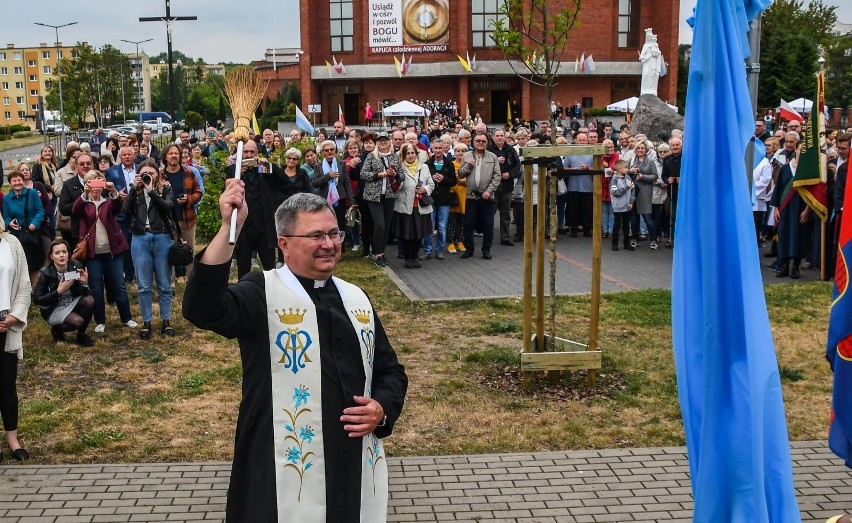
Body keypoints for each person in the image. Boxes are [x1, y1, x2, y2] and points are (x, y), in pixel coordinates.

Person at [183, 190, 408, 522]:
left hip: (352, 464)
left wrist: (383, 408)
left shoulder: (355, 297)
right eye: (315, 235)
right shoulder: (262, 292)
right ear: (284, 244)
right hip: (279, 469)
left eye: (334, 233)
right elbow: (202, 308)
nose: (329, 244)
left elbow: (390, 371)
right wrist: (230, 228)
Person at [71, 171, 137, 333]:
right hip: (93, 254)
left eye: (98, 183)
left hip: (112, 252)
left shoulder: (107, 201)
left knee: (119, 286)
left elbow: (118, 208)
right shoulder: (84, 203)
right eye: (91, 183)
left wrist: (113, 191)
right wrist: (84, 194)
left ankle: (127, 318)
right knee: (96, 287)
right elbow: (74, 211)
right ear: (86, 185)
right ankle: (100, 320)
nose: (95, 187)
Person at [122, 159, 175, 340]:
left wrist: (151, 191)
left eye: (151, 173)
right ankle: (147, 322)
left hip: (161, 237)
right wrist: (133, 189)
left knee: (164, 283)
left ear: (157, 173)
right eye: (144, 174)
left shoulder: (164, 188)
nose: (147, 177)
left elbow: (167, 208)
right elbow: (125, 211)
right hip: (140, 238)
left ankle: (166, 320)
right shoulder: (135, 191)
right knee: (143, 284)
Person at [225, 140, 286, 278]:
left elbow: (284, 180)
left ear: (257, 153)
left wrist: (268, 164)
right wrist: (238, 173)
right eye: (246, 152)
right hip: (244, 226)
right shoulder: (233, 170)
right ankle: (243, 295)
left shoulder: (265, 169)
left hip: (264, 226)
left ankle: (271, 294)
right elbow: (227, 187)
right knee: (243, 267)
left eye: (252, 152)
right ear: (240, 153)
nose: (249, 155)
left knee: (269, 267)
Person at [0, 215, 32, 462]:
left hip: (6, 323)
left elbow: (23, 285)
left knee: (7, 385)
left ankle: (12, 439)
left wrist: (15, 316)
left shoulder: (11, 243)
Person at [33, 239, 95, 346]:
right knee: (78, 321)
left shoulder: (75, 266)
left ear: (68, 254)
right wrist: (58, 292)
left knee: (89, 300)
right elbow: (36, 299)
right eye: (57, 253)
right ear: (52, 256)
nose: (61, 255)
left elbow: (81, 293)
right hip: (54, 308)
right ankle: (57, 330)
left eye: (64, 252)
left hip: (72, 301)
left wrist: (84, 283)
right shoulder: (45, 273)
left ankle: (81, 335)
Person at [361, 132, 404, 268]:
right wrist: (378, 174)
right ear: (377, 143)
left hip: (389, 195)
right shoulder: (371, 156)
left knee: (386, 226)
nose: (383, 142)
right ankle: (377, 253)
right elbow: (363, 174)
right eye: (380, 140)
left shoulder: (395, 157)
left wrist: (395, 174)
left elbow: (402, 176)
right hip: (374, 196)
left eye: (385, 140)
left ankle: (381, 252)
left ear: (389, 142)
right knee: (380, 225)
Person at [161, 144, 202, 281]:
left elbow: (198, 193)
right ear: (165, 157)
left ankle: (192, 280)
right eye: (170, 153)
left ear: (180, 156)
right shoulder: (160, 175)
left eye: (176, 154)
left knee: (189, 250)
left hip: (187, 219)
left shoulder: (189, 173)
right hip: (167, 221)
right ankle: (170, 282)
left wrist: (188, 199)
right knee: (168, 251)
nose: (173, 156)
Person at [458, 134, 501, 259]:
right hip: (471, 197)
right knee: (468, 224)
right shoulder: (466, 156)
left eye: (483, 141)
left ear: (487, 142)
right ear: (473, 142)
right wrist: (468, 166)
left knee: (488, 224)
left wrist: (489, 191)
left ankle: (486, 250)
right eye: (478, 140)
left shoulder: (492, 157)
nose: (480, 142)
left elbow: (497, 176)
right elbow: (460, 174)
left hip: (486, 197)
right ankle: (469, 250)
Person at [394, 143, 436, 268]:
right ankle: (407, 257)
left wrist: (424, 189)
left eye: (413, 153)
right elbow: (397, 187)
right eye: (408, 153)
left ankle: (415, 256)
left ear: (416, 154)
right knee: (406, 234)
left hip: (420, 206)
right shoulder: (399, 168)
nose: (411, 155)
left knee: (418, 233)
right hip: (405, 205)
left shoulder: (424, 167)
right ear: (404, 155)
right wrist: (397, 178)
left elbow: (431, 184)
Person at [3, 168, 46, 286]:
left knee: (35, 263)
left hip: (32, 234)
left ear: (23, 180)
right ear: (10, 183)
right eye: (14, 181)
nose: (17, 183)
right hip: (17, 236)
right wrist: (9, 223)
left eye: (19, 180)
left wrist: (35, 223)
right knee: (20, 264)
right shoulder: (6, 198)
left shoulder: (32, 193)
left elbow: (40, 211)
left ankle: (35, 289)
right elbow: (6, 216)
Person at [312, 140, 355, 246]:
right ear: (323, 152)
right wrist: (328, 176)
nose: (329, 152)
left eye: (332, 149)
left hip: (340, 198)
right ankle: (327, 245)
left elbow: (346, 182)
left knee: (340, 224)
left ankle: (340, 247)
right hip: (325, 199)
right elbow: (315, 183)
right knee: (326, 224)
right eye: (327, 150)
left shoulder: (342, 163)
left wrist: (352, 199)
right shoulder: (318, 165)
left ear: (335, 151)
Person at [424, 139, 457, 259]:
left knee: (442, 226)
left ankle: (439, 250)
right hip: (430, 200)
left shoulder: (449, 163)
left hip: (444, 199)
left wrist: (443, 178)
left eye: (440, 148)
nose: (437, 151)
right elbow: (423, 182)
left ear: (444, 149)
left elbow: (453, 182)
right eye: (435, 148)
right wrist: (432, 179)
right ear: (432, 149)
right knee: (429, 225)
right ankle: (427, 250)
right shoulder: (427, 164)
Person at [629, 140, 659, 249]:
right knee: (634, 217)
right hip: (633, 191)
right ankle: (635, 239)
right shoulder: (631, 160)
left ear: (646, 150)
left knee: (647, 216)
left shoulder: (650, 161)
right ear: (635, 149)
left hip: (645, 191)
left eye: (642, 148)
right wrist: (631, 171)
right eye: (638, 148)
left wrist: (643, 177)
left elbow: (655, 176)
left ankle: (653, 239)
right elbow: (626, 173)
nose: (640, 150)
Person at [610, 160, 636, 251]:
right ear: (620, 169)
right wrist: (626, 187)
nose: (627, 169)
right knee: (616, 225)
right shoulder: (615, 179)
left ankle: (626, 243)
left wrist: (631, 202)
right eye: (625, 167)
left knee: (626, 226)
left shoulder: (628, 177)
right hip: (618, 206)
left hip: (627, 206)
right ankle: (614, 243)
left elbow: (633, 190)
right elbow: (615, 192)